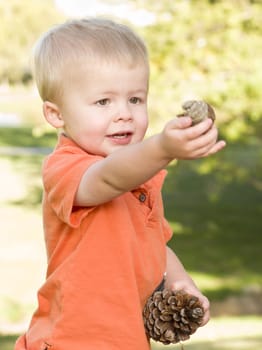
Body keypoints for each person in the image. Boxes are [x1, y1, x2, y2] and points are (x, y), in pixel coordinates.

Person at [15, 17, 226, 350]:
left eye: (135, 99)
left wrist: (180, 280)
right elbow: (108, 178)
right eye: (103, 102)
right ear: (56, 115)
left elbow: (154, 241)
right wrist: (161, 148)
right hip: (71, 340)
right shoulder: (66, 168)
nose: (124, 113)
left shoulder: (140, 178)